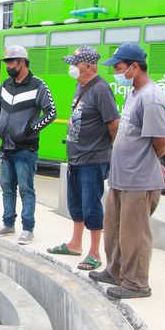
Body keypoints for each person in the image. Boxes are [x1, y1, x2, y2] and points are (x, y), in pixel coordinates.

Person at [89, 43, 165, 299]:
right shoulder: (134, 93)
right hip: (121, 177)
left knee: (134, 234)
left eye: (119, 68)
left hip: (138, 180)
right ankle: (115, 271)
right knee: (113, 229)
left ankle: (136, 284)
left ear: (134, 67)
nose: (116, 73)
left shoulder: (151, 98)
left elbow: (161, 143)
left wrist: (151, 165)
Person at [46, 46, 120, 270]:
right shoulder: (80, 85)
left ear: (88, 66)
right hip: (76, 157)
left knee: (91, 206)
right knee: (76, 204)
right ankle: (75, 243)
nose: (71, 67)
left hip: (93, 158)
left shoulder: (101, 89)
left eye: (75, 63)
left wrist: (105, 149)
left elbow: (114, 124)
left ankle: (95, 252)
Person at [0, 45, 56, 245]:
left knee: (26, 189)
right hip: (6, 147)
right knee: (7, 188)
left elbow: (51, 113)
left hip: (26, 149)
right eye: (7, 62)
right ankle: (8, 223)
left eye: (11, 62)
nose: (8, 66)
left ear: (22, 62)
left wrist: (30, 129)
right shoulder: (5, 85)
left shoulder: (38, 85)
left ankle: (28, 228)